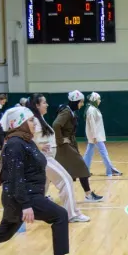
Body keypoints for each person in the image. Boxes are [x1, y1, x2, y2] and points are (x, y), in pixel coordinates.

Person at [0, 106, 80, 255]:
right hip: (24, 195)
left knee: (5, 232)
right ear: (19, 123)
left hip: (21, 195)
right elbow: (15, 177)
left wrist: (39, 149)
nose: (35, 123)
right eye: (30, 120)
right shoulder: (15, 144)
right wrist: (26, 205)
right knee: (60, 215)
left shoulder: (25, 141)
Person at [26, 94, 89, 225]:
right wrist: (38, 146)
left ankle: (29, 211)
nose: (47, 105)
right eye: (44, 102)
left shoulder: (39, 118)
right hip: (44, 159)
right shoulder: (34, 120)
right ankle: (71, 214)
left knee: (41, 189)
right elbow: (26, 137)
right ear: (37, 105)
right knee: (66, 180)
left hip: (46, 158)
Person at [53, 90, 103, 202]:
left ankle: (85, 195)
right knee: (82, 167)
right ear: (75, 102)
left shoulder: (70, 111)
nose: (82, 104)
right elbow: (56, 125)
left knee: (67, 171)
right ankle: (88, 195)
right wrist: (60, 140)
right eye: (81, 102)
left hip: (70, 144)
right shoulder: (66, 112)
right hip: (66, 146)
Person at [82, 92, 123, 177]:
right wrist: (94, 136)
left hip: (95, 135)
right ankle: (110, 170)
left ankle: (84, 170)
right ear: (94, 100)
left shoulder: (93, 108)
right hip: (96, 136)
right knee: (104, 152)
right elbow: (92, 124)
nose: (100, 101)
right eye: (98, 99)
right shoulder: (91, 110)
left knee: (89, 152)